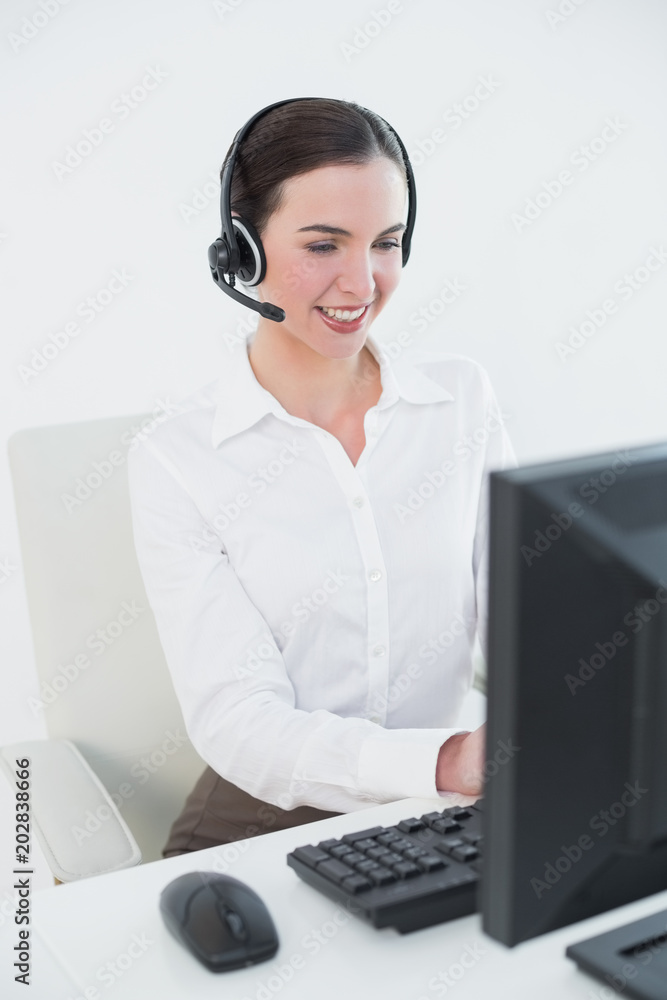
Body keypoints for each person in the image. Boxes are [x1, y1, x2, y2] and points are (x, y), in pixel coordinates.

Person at [127, 97, 516, 857]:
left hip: (445, 802)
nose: (361, 282)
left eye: (385, 243)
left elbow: (529, 616)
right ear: (240, 251)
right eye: (323, 244)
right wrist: (440, 762)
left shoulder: (460, 401)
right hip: (263, 818)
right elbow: (240, 722)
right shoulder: (178, 459)